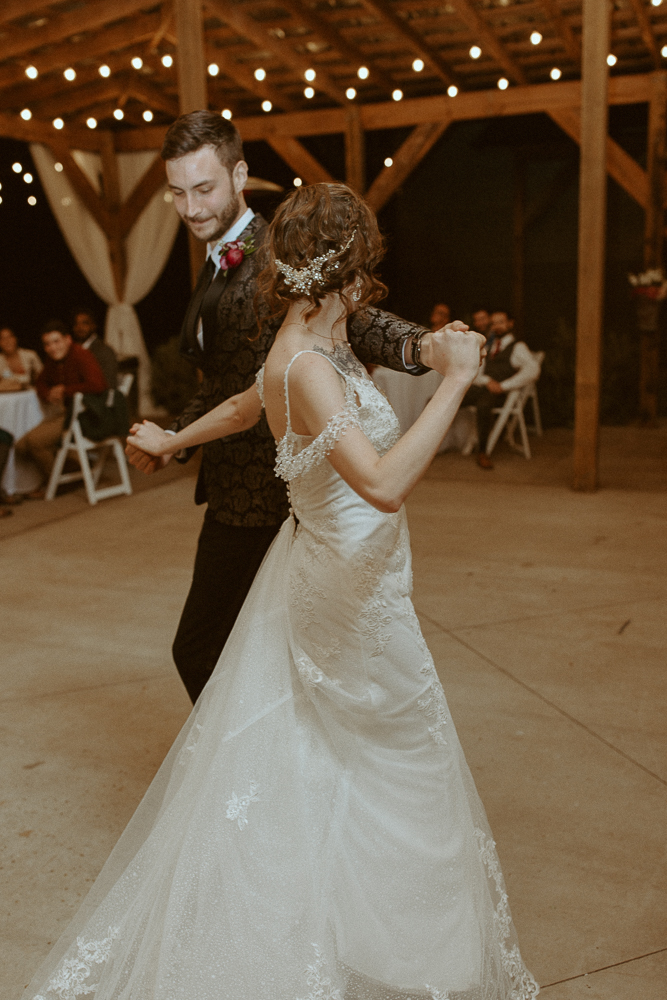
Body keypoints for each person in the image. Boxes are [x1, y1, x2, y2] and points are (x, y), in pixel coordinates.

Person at [24, 182, 538, 1000]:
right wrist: (455, 381)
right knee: (402, 748)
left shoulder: (309, 342)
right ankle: (400, 949)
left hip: (345, 574)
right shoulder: (305, 361)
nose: (369, 288)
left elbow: (243, 404)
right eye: (363, 272)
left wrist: (176, 436)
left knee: (340, 755)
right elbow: (382, 485)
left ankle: (343, 917)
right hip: (350, 594)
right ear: (345, 271)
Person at [126, 110, 459, 705]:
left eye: (203, 189)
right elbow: (228, 379)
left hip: (274, 491)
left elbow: (355, 318)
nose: (191, 208)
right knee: (253, 652)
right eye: (177, 193)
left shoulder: (279, 250)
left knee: (208, 648)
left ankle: (241, 754)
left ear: (239, 175)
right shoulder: (216, 258)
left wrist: (422, 346)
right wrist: (173, 438)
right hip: (238, 482)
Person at [14, 320, 107, 497]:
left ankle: (57, 483)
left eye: (56, 341)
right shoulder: (53, 360)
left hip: (85, 416)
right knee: (20, 446)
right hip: (67, 413)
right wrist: (48, 394)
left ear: (67, 340)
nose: (52, 348)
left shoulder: (81, 355)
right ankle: (73, 470)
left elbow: (98, 385)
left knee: (35, 442)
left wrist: (65, 390)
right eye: (47, 344)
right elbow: (40, 382)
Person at [462, 309, 540, 470]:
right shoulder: (489, 345)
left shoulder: (517, 347)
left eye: (501, 322)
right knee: (445, 398)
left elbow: (533, 370)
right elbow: (476, 371)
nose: (497, 326)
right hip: (483, 388)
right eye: (494, 323)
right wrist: (487, 381)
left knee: (483, 406)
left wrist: (504, 386)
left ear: (510, 324)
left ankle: (482, 452)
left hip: (500, 394)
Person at [70, 307, 118, 389]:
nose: (79, 327)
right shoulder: (72, 350)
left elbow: (108, 384)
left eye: (84, 323)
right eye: (76, 324)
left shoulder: (104, 351)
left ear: (93, 326)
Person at [0, 326, 42, 391]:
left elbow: (43, 378)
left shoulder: (30, 356)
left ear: (15, 338)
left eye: (9, 337)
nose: (7, 341)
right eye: (3, 338)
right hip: (7, 395)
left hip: (32, 394)